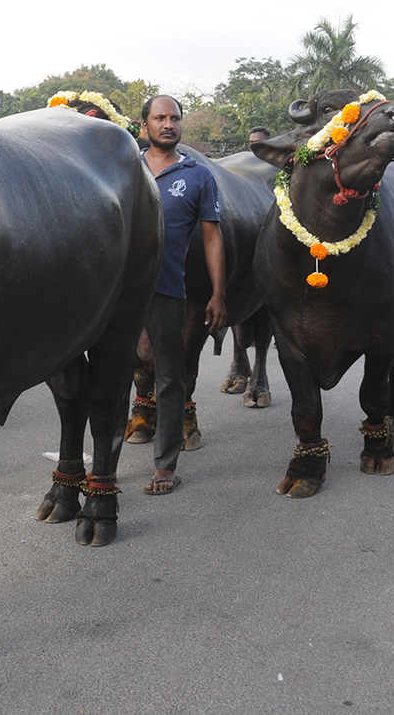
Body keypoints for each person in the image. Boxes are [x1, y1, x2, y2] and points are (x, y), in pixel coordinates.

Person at [139, 95, 227, 494]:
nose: (168, 124)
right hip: (117, 294)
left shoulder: (197, 175)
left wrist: (218, 293)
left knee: (170, 377)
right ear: (145, 127)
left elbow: (212, 236)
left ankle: (165, 465)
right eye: (160, 118)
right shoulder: (125, 166)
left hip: (168, 290)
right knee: (107, 375)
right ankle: (99, 466)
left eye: (174, 118)